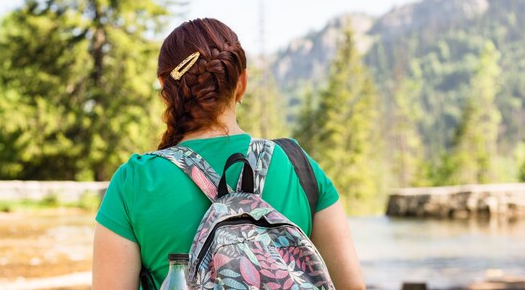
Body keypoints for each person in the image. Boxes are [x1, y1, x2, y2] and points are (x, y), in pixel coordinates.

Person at [92, 18, 365, 290]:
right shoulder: (298, 165)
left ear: (166, 89)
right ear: (242, 82)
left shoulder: (136, 181)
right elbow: (352, 286)